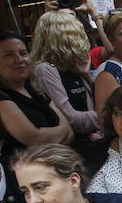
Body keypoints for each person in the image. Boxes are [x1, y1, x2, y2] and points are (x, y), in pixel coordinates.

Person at [29, 12, 105, 169]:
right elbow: (71, 119)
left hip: (93, 146)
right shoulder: (45, 70)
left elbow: (96, 105)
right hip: (75, 153)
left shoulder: (73, 67)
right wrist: (103, 118)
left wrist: (86, 75)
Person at [0, 31, 73, 166]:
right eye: (9, 55)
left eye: (23, 53)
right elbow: (35, 139)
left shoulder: (36, 91)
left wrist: (53, 136)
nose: (19, 60)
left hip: (60, 166)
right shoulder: (0, 98)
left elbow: (70, 132)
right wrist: (62, 131)